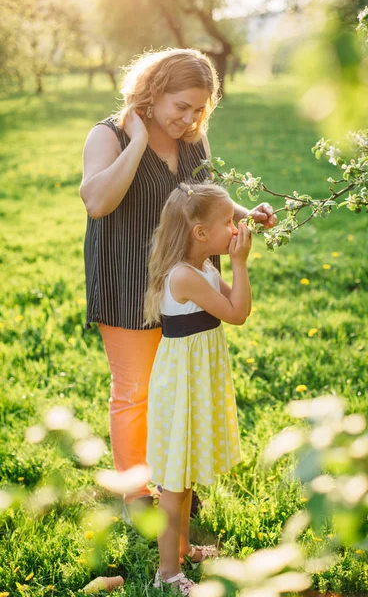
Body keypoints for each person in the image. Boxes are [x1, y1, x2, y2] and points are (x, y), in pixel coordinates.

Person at [79, 48, 277, 508]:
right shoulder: (106, 136)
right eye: (180, 107)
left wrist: (249, 214)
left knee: (179, 388)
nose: (189, 119)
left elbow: (200, 203)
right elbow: (97, 203)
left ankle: (175, 485)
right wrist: (138, 143)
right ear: (152, 92)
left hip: (186, 285)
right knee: (135, 393)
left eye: (198, 109)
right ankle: (138, 497)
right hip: (127, 279)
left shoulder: (193, 140)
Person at [144, 182, 252, 595]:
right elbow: (237, 313)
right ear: (201, 234)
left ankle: (185, 549)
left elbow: (236, 308)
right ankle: (167, 574)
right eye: (229, 223)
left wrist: (240, 238)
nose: (236, 227)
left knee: (184, 474)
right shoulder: (185, 276)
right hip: (180, 387)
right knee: (174, 483)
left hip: (195, 381)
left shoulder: (203, 267)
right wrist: (239, 263)